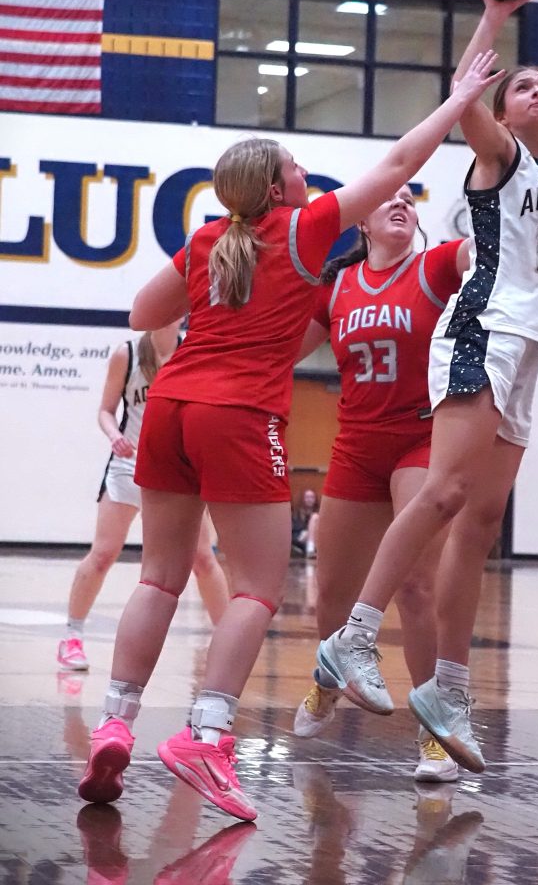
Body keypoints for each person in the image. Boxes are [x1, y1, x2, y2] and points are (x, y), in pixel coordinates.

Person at [76, 48, 505, 821]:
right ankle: (207, 736)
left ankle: (115, 722)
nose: (309, 173)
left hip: (168, 406)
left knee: (157, 578)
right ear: (278, 187)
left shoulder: (212, 240)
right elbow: (403, 156)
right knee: (256, 590)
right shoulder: (304, 229)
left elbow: (143, 315)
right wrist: (463, 96)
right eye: (298, 164)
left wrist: (231, 314)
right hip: (237, 415)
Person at [315, 0, 538, 774]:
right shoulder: (500, 154)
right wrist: (492, 18)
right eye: (525, 85)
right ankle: (351, 638)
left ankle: (449, 689)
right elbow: (464, 103)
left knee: (480, 525)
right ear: (503, 107)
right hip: (480, 331)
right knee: (446, 494)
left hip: (529, 353)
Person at [57, 324, 229, 672]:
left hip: (178, 470)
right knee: (104, 554)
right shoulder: (129, 354)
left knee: (202, 559)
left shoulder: (193, 349)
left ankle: (229, 639)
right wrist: (112, 436)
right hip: (128, 464)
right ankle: (71, 638)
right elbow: (106, 410)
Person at [292, 487, 320, 558]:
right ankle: (310, 550)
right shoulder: (296, 514)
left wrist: (309, 533)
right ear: (303, 499)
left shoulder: (318, 514)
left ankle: (310, 549)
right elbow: (293, 530)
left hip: (314, 539)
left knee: (315, 517)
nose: (309, 500)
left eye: (312, 497)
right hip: (299, 538)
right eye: (307, 497)